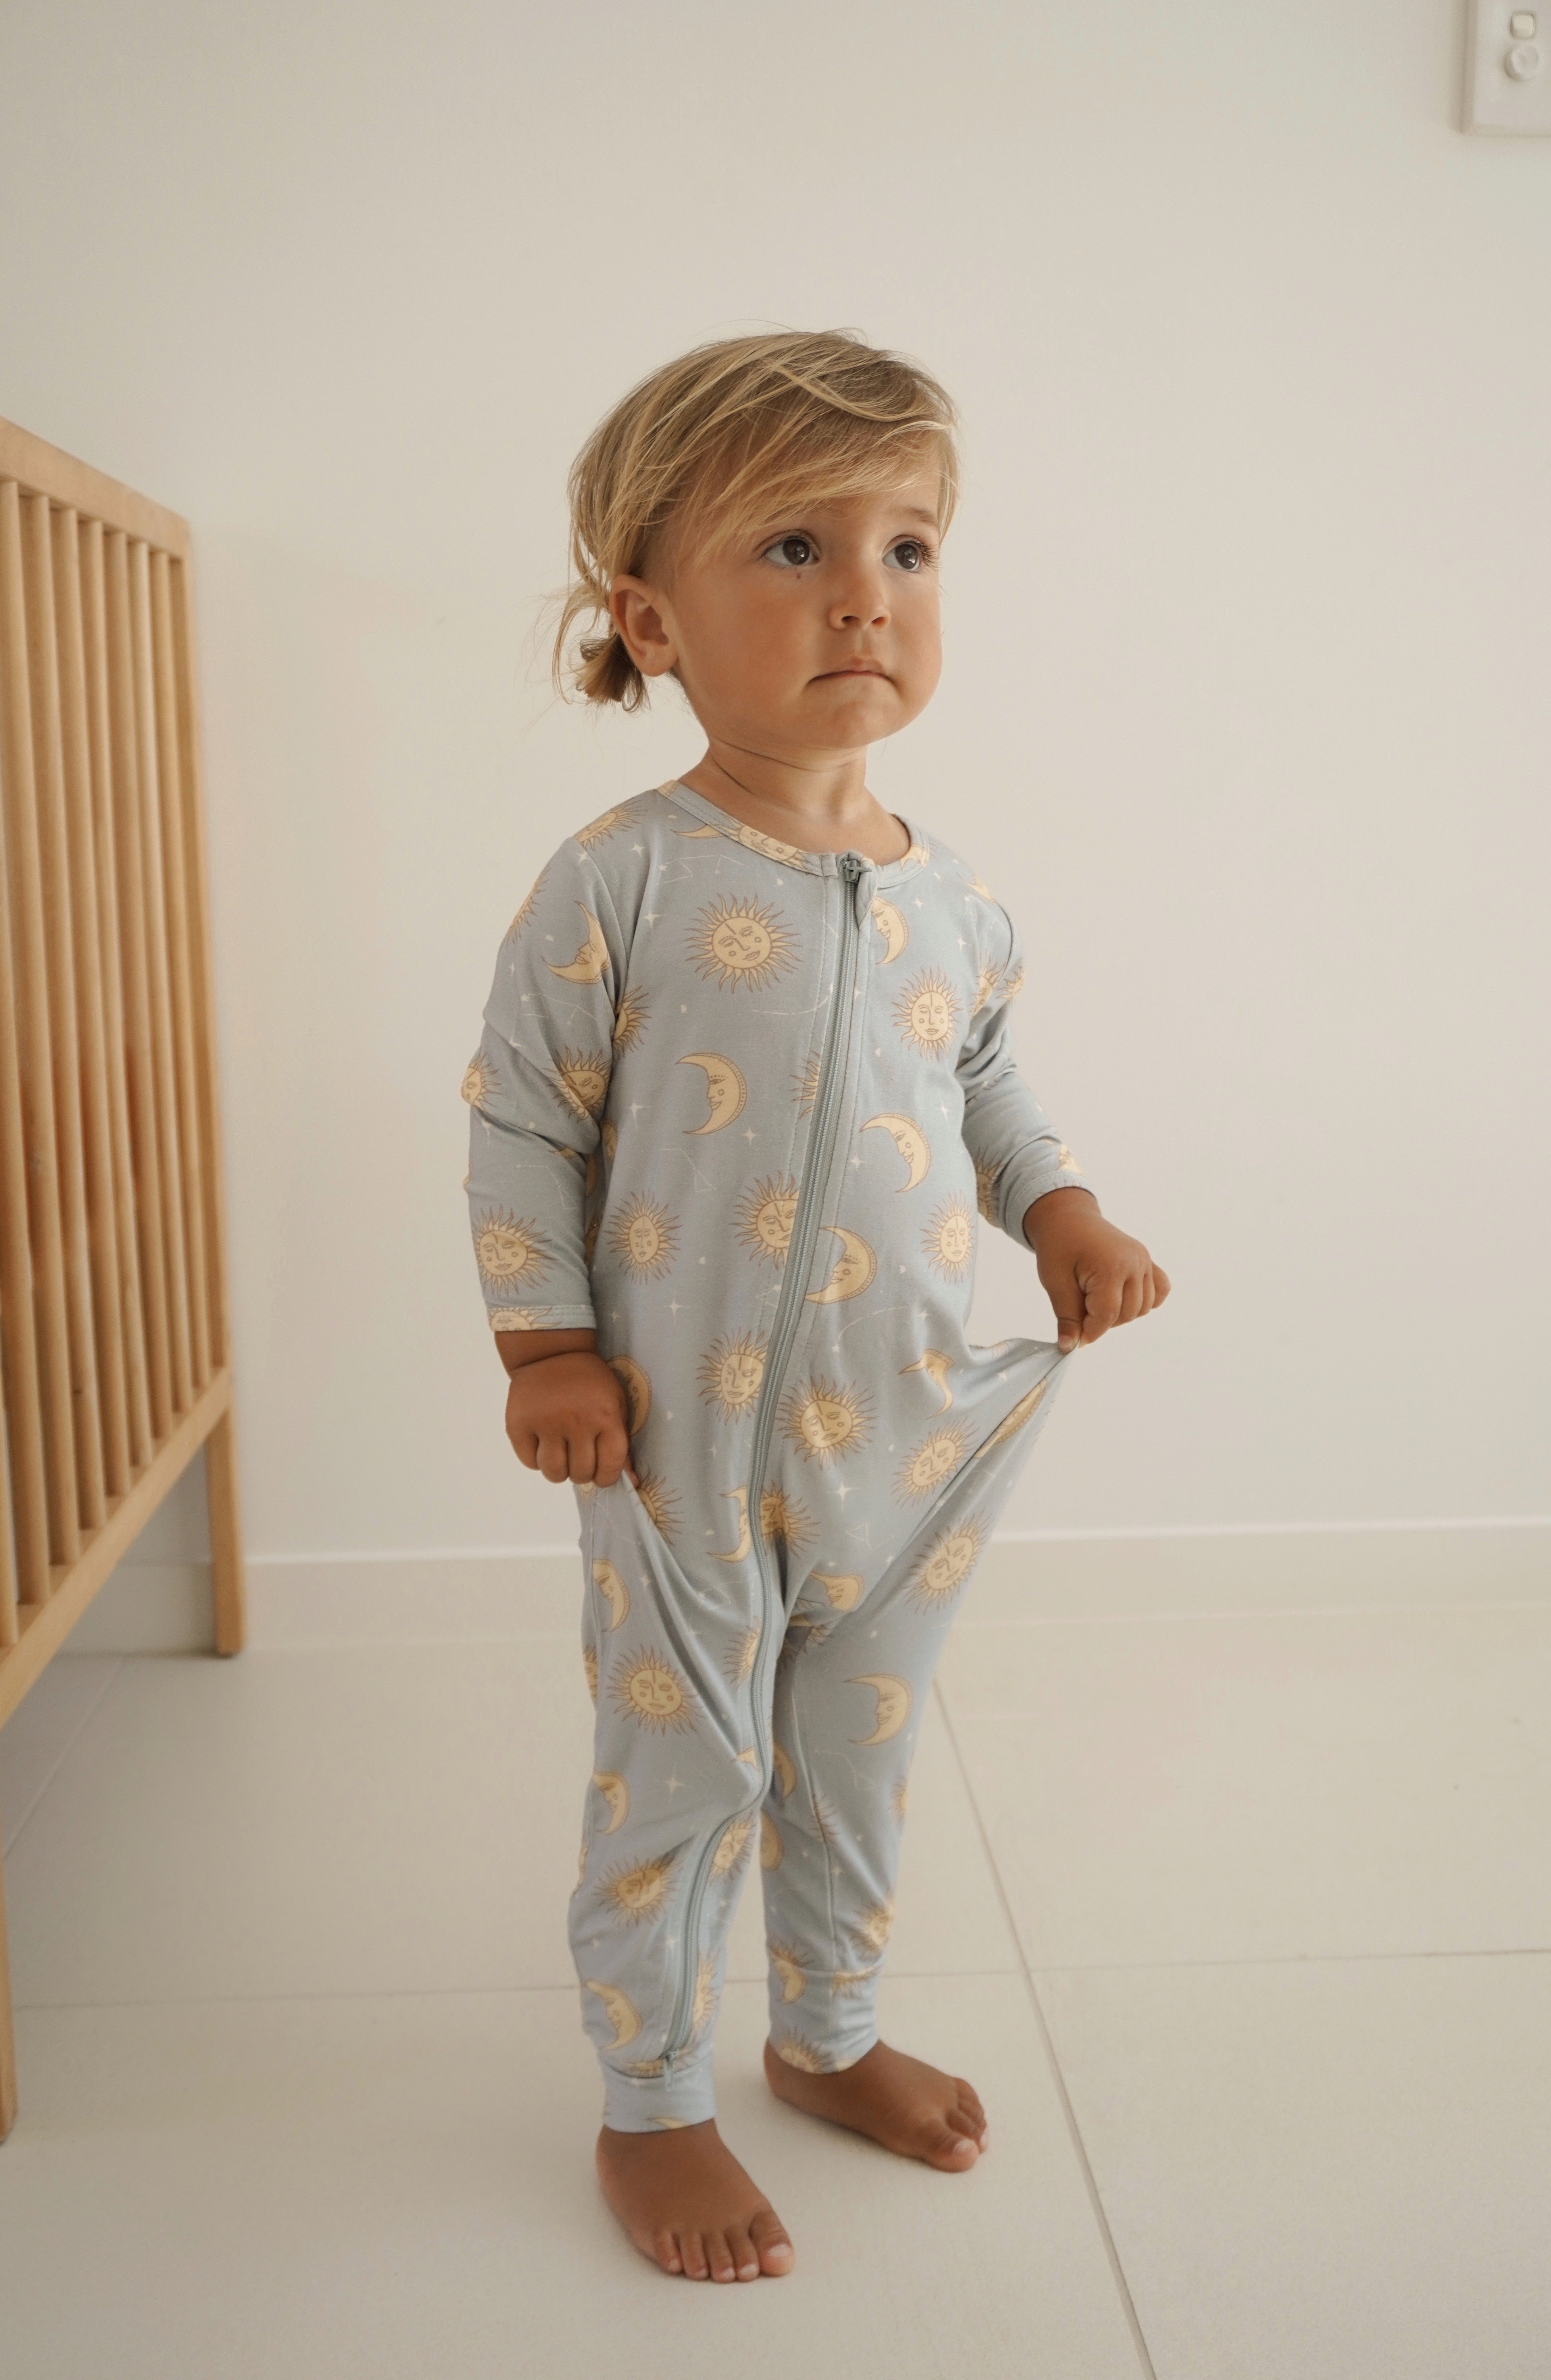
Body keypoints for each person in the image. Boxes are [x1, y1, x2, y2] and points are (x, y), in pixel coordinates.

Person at [461, 330, 1169, 2283]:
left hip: (906, 1427)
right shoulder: (617, 883)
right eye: (791, 542)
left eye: (910, 545)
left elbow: (990, 1085)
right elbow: (520, 1124)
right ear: (649, 617)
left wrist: (1066, 1207)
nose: (865, 588)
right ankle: (651, 2102)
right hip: (680, 1439)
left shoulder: (953, 898)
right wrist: (545, 1346)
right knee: (684, 1763)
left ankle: (825, 2033)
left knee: (859, 1749)